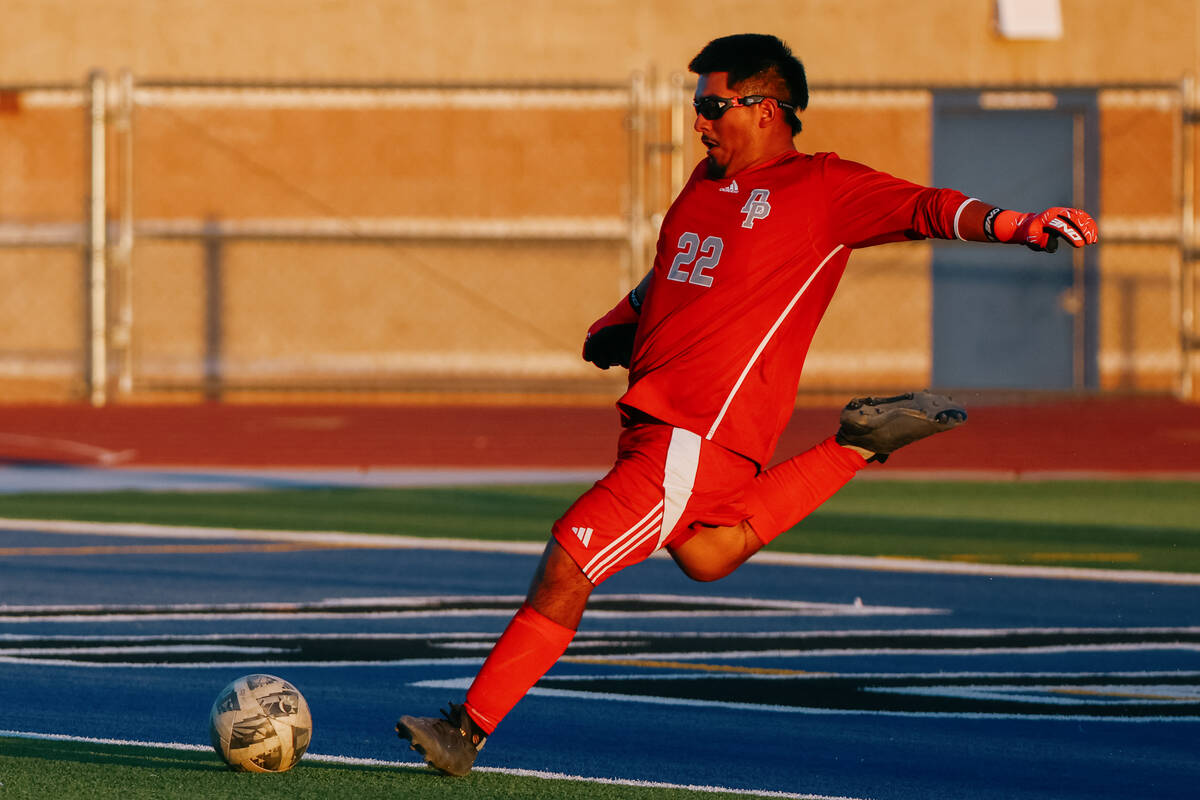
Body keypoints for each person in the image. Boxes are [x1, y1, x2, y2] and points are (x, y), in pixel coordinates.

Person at [396, 32, 1099, 775]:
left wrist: (1019, 225)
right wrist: (620, 323)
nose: (698, 121)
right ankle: (855, 444)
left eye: (711, 106)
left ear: (767, 109)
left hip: (693, 435)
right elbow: (670, 275)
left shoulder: (822, 188)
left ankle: (466, 729)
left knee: (569, 557)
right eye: (696, 105)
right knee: (707, 551)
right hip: (656, 427)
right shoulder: (704, 181)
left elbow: (926, 207)